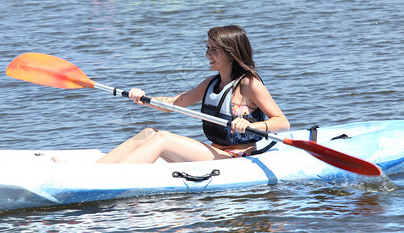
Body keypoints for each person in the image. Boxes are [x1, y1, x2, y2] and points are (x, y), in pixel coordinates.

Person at [94, 25, 290, 164]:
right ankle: (97, 171)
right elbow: (174, 103)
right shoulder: (210, 83)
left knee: (162, 138)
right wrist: (144, 99)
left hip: (235, 158)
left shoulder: (249, 84)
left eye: (214, 50)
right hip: (214, 150)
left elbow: (282, 122)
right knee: (149, 133)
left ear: (231, 54)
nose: (207, 55)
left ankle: (112, 178)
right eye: (207, 49)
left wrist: (250, 125)